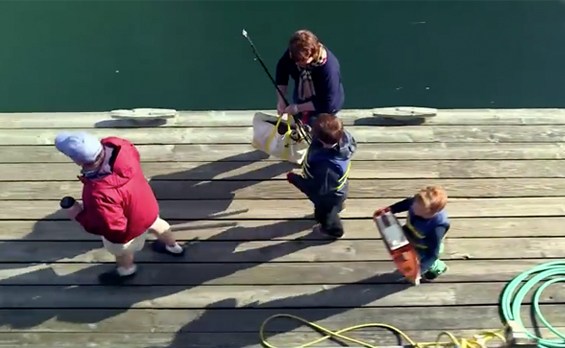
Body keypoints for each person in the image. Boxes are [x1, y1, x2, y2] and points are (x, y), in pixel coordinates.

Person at [54, 131, 185, 285]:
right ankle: (174, 248)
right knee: (158, 225)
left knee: (122, 250)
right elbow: (117, 143)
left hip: (129, 228)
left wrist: (79, 215)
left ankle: (127, 270)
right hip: (147, 208)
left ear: (77, 161)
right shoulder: (123, 148)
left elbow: (112, 228)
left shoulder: (99, 193)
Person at [286, 113, 356, 238]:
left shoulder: (326, 168)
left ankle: (333, 231)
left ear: (321, 140)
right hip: (339, 188)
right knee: (337, 203)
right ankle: (339, 207)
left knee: (324, 214)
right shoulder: (344, 139)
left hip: (327, 196)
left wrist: (295, 179)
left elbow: (316, 190)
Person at [373, 186, 450, 281]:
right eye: (414, 204)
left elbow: (432, 254)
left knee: (420, 258)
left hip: (424, 246)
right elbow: (405, 204)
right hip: (411, 232)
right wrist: (389, 210)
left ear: (431, 213)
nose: (413, 208)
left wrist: (418, 271)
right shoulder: (417, 202)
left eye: (419, 209)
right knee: (399, 245)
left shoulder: (436, 228)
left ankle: (438, 267)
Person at [275, 29, 345, 130]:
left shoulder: (329, 70)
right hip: (302, 92)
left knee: (317, 128)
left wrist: (297, 108)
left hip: (326, 104)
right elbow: (282, 69)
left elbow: (327, 104)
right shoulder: (295, 53)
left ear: (313, 54)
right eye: (295, 60)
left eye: (302, 60)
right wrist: (281, 100)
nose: (297, 64)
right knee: (297, 127)